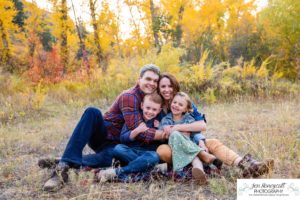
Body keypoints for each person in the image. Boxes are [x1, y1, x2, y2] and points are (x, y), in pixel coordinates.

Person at [42, 64, 167, 191]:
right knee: (93, 112)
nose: (151, 83)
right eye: (148, 79)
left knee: (112, 160)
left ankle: (62, 159)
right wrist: (165, 133)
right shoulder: (130, 96)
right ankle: (61, 169)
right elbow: (140, 132)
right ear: (139, 80)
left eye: (155, 81)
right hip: (103, 136)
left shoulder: (152, 100)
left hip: (117, 145)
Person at [156, 73, 274, 178]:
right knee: (162, 151)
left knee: (213, 142)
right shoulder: (155, 104)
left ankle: (246, 165)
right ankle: (197, 162)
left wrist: (179, 129)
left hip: (191, 140)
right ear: (158, 88)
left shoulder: (184, 101)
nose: (167, 89)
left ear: (175, 87)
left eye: (170, 86)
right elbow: (155, 132)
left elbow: (201, 125)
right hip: (172, 147)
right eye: (163, 86)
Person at [97, 93, 166, 182]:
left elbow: (162, 141)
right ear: (142, 105)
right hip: (131, 150)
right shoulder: (135, 118)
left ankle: (118, 172)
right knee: (118, 148)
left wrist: (159, 128)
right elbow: (123, 138)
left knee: (154, 156)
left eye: (154, 109)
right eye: (148, 108)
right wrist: (136, 130)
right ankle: (149, 167)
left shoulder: (159, 121)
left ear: (159, 110)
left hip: (147, 153)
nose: (150, 112)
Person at [159, 92, 222, 183]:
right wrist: (164, 131)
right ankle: (202, 154)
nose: (176, 105)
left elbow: (196, 133)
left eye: (180, 104)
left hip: (190, 145)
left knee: (194, 158)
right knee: (175, 135)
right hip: (175, 148)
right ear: (170, 103)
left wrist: (201, 141)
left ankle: (200, 172)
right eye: (174, 102)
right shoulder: (166, 120)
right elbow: (163, 134)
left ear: (185, 109)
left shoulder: (189, 119)